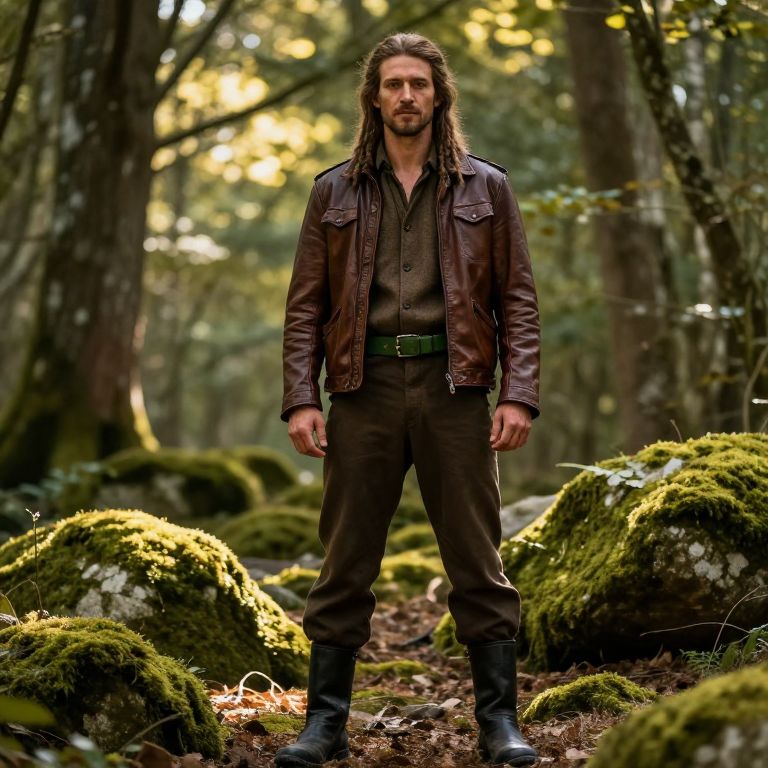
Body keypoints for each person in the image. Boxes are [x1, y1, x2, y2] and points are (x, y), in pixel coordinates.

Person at [276, 32, 540, 768]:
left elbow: (518, 300)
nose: (406, 96)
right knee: (344, 562)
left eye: (418, 84)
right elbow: (305, 307)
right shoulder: (333, 192)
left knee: (478, 562)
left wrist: (518, 394)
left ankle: (499, 725)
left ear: (439, 95)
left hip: (456, 390)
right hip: (362, 392)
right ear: (374, 97)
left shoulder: (487, 188)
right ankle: (324, 726)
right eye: (393, 84)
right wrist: (301, 399)